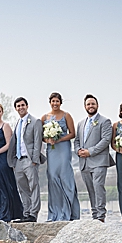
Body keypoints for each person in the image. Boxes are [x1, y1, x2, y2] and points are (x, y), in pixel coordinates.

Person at [40, 92, 80, 222]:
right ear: (50, 102)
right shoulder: (44, 117)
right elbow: (41, 136)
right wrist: (48, 140)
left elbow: (72, 133)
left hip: (63, 149)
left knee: (64, 176)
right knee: (52, 176)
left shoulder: (66, 115)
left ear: (60, 102)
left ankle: (68, 212)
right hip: (51, 150)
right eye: (53, 101)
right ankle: (54, 213)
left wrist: (59, 138)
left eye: (57, 101)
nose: (55, 103)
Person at [73, 94, 113, 222]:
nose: (91, 106)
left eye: (93, 104)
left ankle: (101, 215)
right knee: (90, 189)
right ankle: (94, 215)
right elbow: (77, 140)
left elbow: (106, 140)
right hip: (84, 161)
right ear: (85, 106)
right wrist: (78, 150)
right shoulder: (80, 123)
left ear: (97, 105)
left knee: (98, 186)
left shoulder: (105, 121)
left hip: (99, 160)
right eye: (88, 104)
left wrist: (90, 151)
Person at [0, 103, 24, 222]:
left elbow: (9, 144)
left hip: (1, 159)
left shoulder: (5, 126)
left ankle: (9, 213)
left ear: (2, 112)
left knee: (4, 185)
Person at [7, 97, 42, 222]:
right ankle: (26, 212)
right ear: (16, 108)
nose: (21, 107)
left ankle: (34, 213)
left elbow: (38, 142)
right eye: (18, 106)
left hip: (29, 159)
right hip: (18, 160)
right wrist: (13, 161)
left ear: (27, 106)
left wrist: (35, 159)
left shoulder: (35, 121)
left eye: (23, 105)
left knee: (34, 186)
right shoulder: (18, 123)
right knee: (22, 188)